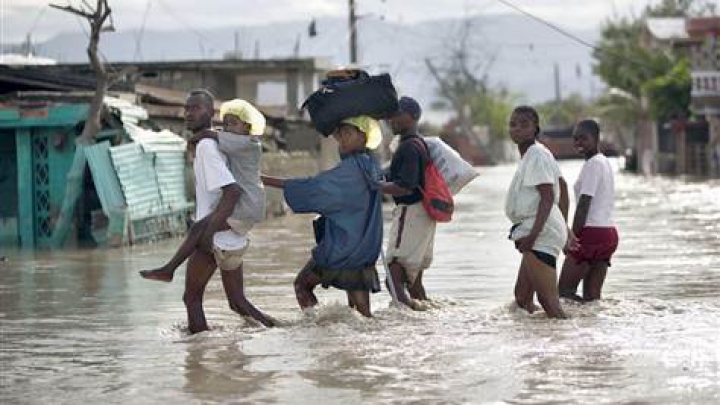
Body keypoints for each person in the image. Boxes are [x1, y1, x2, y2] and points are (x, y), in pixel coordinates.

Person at [141, 90, 274, 331]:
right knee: (238, 303)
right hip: (233, 238)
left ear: (211, 113)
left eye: (196, 108)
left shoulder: (206, 146)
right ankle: (279, 329)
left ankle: (197, 355)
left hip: (216, 237)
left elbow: (232, 192)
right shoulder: (223, 143)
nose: (189, 113)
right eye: (187, 108)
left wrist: (208, 234)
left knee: (191, 299)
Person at [261, 116, 383, 317]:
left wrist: (264, 179)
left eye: (348, 134)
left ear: (364, 138)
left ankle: (318, 327)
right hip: (364, 251)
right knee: (363, 317)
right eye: (340, 135)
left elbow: (314, 188)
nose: (342, 140)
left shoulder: (351, 170)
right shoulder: (371, 166)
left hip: (342, 249)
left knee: (302, 285)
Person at [505, 105, 570, 319]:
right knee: (522, 298)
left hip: (540, 233)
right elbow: (563, 186)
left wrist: (532, 236)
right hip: (541, 229)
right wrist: (566, 229)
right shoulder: (536, 154)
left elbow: (548, 196)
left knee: (549, 303)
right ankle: (539, 344)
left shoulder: (536, 155)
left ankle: (576, 345)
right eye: (513, 124)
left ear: (535, 129)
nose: (518, 129)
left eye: (525, 125)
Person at [379, 96, 434, 310]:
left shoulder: (409, 147)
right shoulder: (417, 143)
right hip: (423, 215)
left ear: (413, 117)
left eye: (397, 114)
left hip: (410, 213)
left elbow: (406, 186)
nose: (391, 119)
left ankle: (406, 323)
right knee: (414, 284)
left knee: (393, 278)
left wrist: (377, 187)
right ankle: (426, 320)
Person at [558, 119, 619, 302]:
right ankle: (591, 329)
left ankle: (568, 328)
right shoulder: (605, 162)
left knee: (564, 293)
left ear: (596, 138)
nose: (578, 144)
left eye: (583, 138)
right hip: (608, 234)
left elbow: (584, 204)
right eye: (575, 139)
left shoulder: (593, 164)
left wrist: (571, 239)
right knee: (592, 298)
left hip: (591, 233)